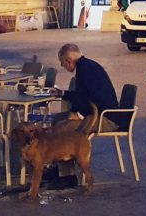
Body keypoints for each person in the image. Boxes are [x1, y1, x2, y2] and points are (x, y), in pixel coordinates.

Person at [46, 43, 120, 188]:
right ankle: (59, 168)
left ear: (68, 61)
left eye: (62, 64)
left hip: (106, 117)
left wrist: (79, 115)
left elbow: (96, 98)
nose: (63, 67)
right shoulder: (87, 66)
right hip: (98, 113)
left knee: (62, 130)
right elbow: (83, 96)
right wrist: (63, 93)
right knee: (56, 122)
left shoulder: (85, 70)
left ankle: (68, 177)